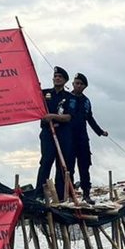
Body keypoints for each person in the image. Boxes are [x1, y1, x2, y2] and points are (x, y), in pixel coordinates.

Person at [35, 66, 76, 201]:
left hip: (63, 133)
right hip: (47, 133)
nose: (57, 79)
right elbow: (33, 101)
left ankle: (60, 196)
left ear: (65, 81)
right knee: (46, 162)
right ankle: (39, 194)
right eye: (56, 76)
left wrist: (52, 116)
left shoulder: (69, 97)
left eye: (60, 77)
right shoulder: (44, 93)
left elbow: (68, 117)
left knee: (62, 164)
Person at [70, 72, 108, 204]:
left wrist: (100, 131)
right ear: (73, 84)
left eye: (81, 84)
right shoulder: (67, 98)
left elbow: (90, 118)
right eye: (76, 83)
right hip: (68, 137)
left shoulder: (86, 101)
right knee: (68, 167)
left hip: (82, 138)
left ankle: (86, 194)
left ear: (85, 86)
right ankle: (69, 194)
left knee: (84, 166)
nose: (78, 86)